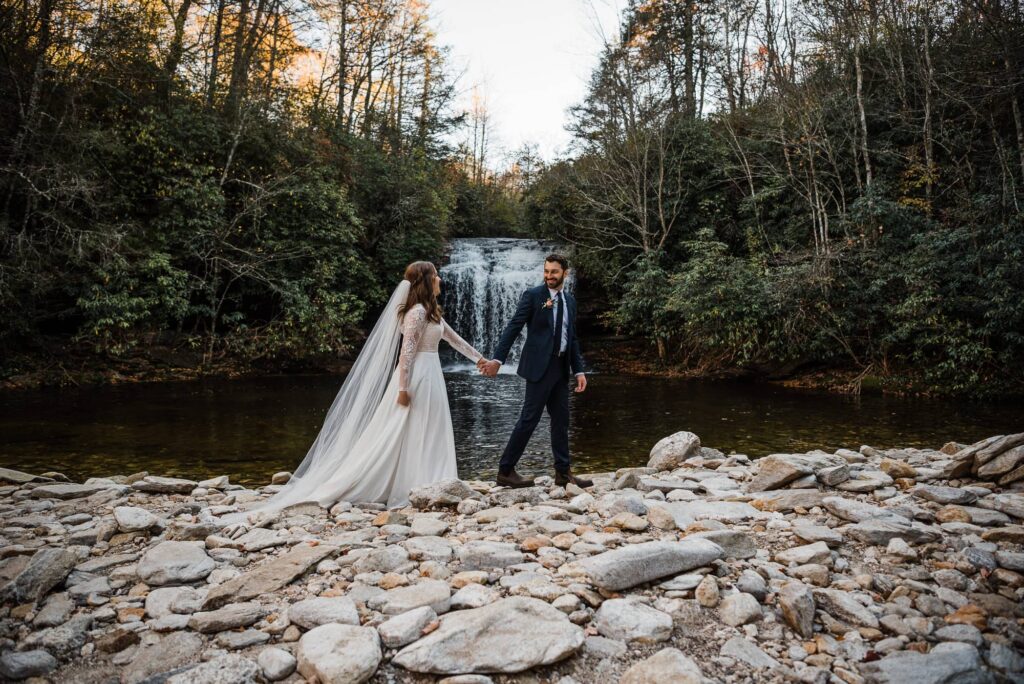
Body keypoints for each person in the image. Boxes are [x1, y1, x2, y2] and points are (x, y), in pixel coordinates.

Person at [235, 261, 486, 517]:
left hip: (432, 374)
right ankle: (414, 483)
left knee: (431, 425)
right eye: (435, 275)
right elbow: (406, 353)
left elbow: (453, 339)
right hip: (417, 376)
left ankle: (434, 479)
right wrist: (402, 387)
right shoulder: (417, 313)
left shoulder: (431, 311)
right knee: (409, 427)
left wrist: (480, 360)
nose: (440, 278)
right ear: (426, 280)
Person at [480, 253, 592, 489]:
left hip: (561, 367)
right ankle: (506, 470)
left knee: (562, 421)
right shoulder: (533, 296)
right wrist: (498, 359)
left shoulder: (569, 300)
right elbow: (514, 327)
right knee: (529, 419)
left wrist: (579, 370)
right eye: (546, 271)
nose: (549, 276)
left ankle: (563, 473)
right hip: (539, 368)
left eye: (554, 272)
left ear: (565, 273)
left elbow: (571, 338)